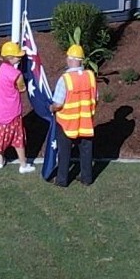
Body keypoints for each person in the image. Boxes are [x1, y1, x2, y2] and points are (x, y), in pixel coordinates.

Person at [47, 44, 97, 187]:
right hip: (85, 122)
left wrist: (51, 108)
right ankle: (87, 178)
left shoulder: (65, 79)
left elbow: (58, 104)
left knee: (64, 152)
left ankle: (62, 180)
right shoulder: (90, 76)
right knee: (86, 151)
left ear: (70, 59)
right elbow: (96, 98)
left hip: (67, 123)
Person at [0, 40, 29, 171]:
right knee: (18, 139)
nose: (20, 58)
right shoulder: (16, 74)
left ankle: (0, 160)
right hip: (11, 114)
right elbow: (22, 89)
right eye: (18, 56)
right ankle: (23, 165)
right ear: (11, 58)